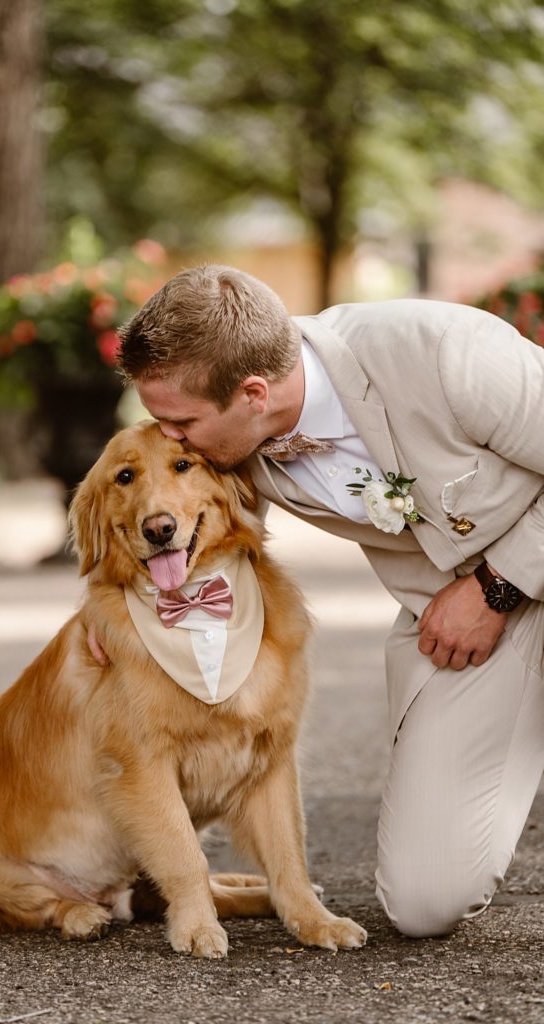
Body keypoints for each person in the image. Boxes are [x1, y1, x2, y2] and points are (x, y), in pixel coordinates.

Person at [101, 263, 544, 938]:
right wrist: (106, 621)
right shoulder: (230, 442)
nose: (169, 438)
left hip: (499, 588)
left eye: (179, 422)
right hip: (461, 630)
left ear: (253, 393)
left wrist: (496, 586)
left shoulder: (448, 353)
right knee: (423, 902)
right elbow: (166, 526)